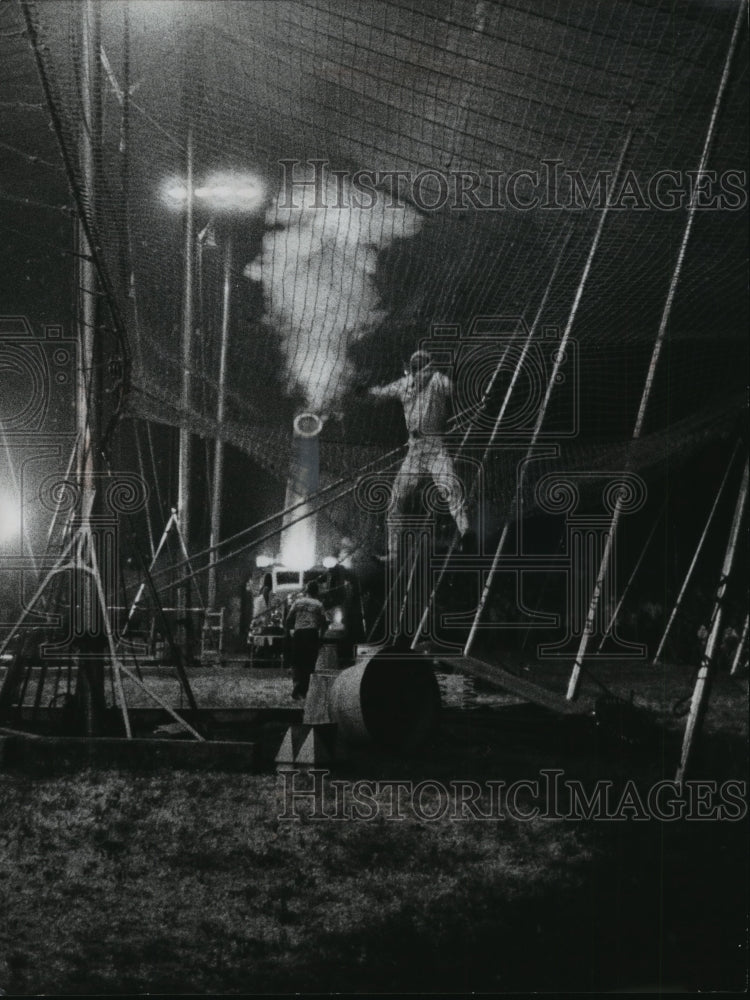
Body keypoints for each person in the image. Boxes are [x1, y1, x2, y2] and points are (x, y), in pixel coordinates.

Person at [368, 349, 473, 559]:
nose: (417, 370)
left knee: (450, 488)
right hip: (415, 449)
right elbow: (382, 392)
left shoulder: (437, 380)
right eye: (415, 366)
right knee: (397, 498)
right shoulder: (406, 384)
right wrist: (368, 391)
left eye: (420, 365)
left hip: (434, 446)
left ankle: (467, 533)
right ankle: (394, 552)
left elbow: (456, 392)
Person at [285, 580, 328, 700]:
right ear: (316, 592)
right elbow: (324, 623)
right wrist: (321, 636)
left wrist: (291, 632)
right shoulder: (319, 604)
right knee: (309, 662)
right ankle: (304, 690)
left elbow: (288, 619)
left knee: (297, 661)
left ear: (307, 591)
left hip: (299, 633)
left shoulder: (298, 602)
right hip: (312, 634)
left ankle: (297, 686)